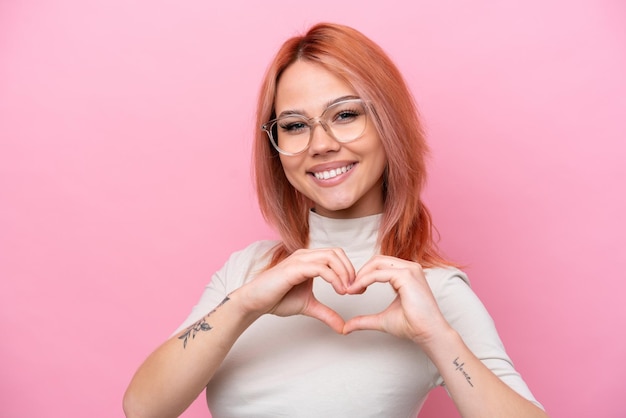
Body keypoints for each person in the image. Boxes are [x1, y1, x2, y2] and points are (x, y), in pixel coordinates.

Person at [123, 22, 548, 418]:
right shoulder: (246, 272)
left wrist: (437, 337)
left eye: (345, 115)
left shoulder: (431, 291)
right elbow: (143, 408)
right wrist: (245, 305)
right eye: (294, 125)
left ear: (388, 125)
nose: (321, 144)